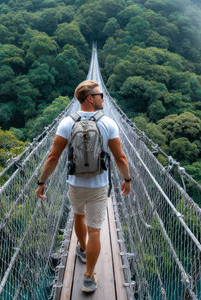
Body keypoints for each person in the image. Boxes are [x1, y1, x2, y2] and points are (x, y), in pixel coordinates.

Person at [35, 80, 131, 293]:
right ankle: (88, 277)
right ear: (90, 98)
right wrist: (127, 179)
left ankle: (82, 247)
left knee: (78, 215)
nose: (103, 98)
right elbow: (120, 158)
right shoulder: (108, 123)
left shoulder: (66, 123)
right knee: (95, 230)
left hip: (75, 183)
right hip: (99, 185)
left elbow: (53, 157)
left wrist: (42, 182)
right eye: (100, 95)